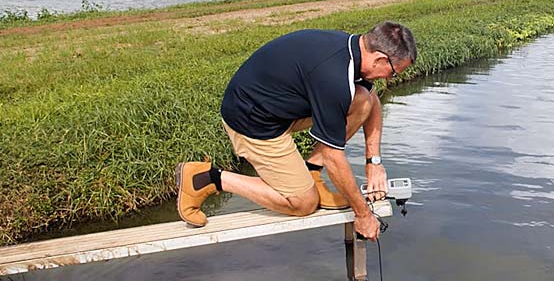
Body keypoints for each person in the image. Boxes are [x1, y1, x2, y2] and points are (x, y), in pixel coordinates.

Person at [175, 21, 416, 240]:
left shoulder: (351, 50)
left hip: (278, 106)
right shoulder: (333, 77)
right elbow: (334, 157)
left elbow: (370, 100)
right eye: (394, 72)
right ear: (380, 59)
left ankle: (310, 172)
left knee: (363, 99)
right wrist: (363, 214)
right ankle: (207, 178)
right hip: (252, 121)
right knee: (304, 203)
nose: (389, 79)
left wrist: (373, 162)